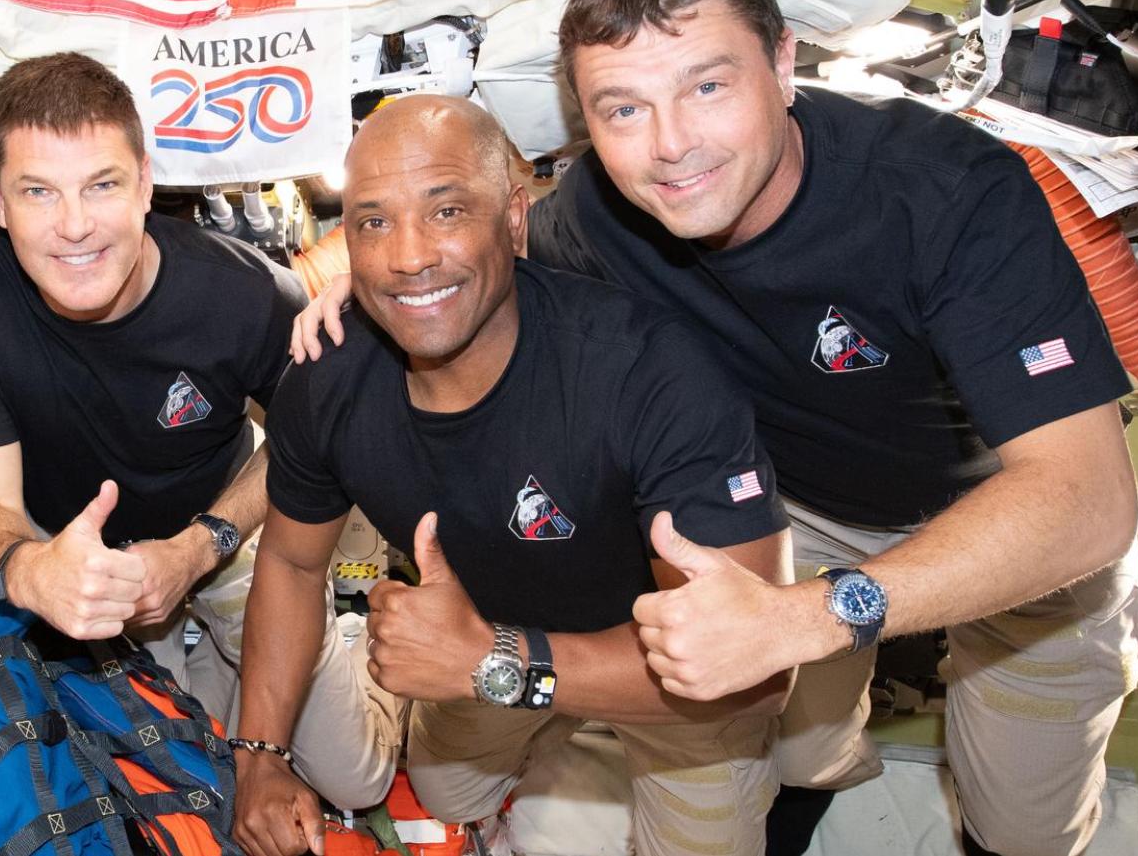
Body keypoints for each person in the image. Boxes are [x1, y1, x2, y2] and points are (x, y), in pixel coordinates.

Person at [293, 0, 1138, 853]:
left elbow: (1087, 497)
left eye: (706, 84)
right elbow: (475, 239)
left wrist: (809, 618)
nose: (670, 144)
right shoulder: (598, 211)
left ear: (783, 62)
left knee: (1024, 825)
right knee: (806, 753)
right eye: (623, 107)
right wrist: (368, 284)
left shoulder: (940, 189)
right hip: (795, 509)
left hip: (1014, 514)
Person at [239, 93, 794, 856]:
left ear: (513, 217)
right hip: (498, 638)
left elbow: (754, 677)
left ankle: (595, 736)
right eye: (373, 221)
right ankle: (571, 738)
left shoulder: (649, 373)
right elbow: (293, 559)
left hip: (675, 674)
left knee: (801, 759)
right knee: (446, 789)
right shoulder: (327, 379)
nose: (407, 256)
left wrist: (498, 665)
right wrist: (260, 756)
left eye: (445, 211)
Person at [0, 53, 403, 815]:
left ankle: (341, 633)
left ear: (144, 184)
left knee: (357, 781)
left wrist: (199, 546)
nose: (74, 226)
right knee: (159, 770)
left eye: (102, 185)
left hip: (219, 526)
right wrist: (34, 572)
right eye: (40, 191)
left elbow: (309, 447)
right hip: (70, 546)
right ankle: (216, 663)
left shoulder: (243, 294)